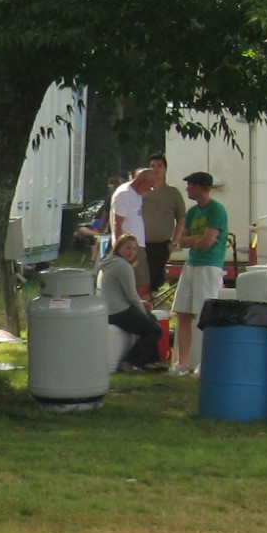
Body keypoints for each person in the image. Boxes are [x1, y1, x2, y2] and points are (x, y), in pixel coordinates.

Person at [172, 171, 228, 374]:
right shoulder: (194, 211)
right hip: (192, 264)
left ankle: (207, 363)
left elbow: (207, 242)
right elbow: (181, 239)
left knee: (206, 316)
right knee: (183, 313)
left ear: (199, 187)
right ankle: (182, 363)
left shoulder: (217, 210)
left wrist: (194, 240)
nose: (187, 189)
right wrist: (196, 239)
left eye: (190, 185)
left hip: (209, 266)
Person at [98, 234, 166, 371]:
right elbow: (132, 295)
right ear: (118, 248)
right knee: (155, 329)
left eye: (134, 249)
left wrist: (141, 306)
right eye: (127, 248)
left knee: (151, 320)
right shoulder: (123, 266)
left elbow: (118, 292)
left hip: (107, 310)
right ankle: (131, 361)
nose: (131, 252)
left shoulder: (107, 263)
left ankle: (152, 361)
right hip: (118, 311)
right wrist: (142, 311)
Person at [140, 153, 185, 296]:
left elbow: (181, 218)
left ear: (165, 169)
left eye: (159, 166)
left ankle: (152, 305)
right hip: (140, 243)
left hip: (161, 244)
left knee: (155, 279)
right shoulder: (141, 192)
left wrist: (174, 242)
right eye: (152, 166)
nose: (156, 169)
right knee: (140, 278)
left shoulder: (173, 193)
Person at [109, 166, 153, 298]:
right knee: (137, 285)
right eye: (149, 186)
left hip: (138, 244)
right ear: (142, 182)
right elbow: (118, 224)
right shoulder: (125, 193)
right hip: (130, 247)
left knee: (143, 284)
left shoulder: (136, 194)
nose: (149, 190)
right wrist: (120, 250)